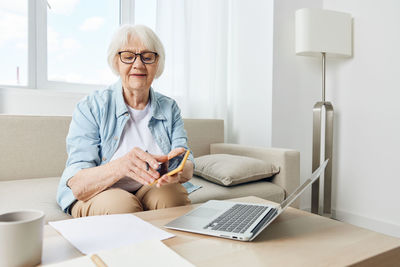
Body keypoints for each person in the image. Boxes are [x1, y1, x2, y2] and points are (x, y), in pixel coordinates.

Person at [56, 24, 194, 217]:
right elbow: (79, 185)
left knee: (173, 197)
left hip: (151, 187)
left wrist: (181, 169)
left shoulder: (169, 107)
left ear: (157, 63)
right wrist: (121, 166)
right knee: (121, 206)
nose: (138, 64)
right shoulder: (91, 106)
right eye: (128, 56)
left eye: (147, 57)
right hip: (102, 191)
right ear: (116, 62)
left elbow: (186, 162)